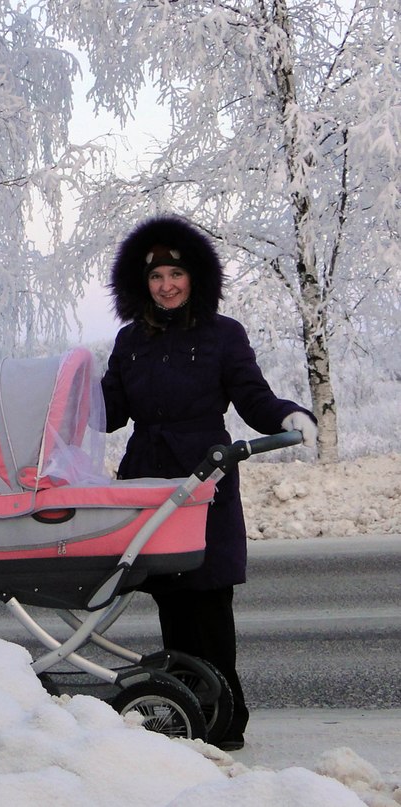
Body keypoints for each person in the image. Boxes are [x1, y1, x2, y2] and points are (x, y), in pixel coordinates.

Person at [100, 214, 317, 751]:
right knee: (172, 597)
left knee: (209, 596)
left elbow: (253, 397)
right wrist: (58, 400)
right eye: (155, 278)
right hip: (149, 480)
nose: (166, 285)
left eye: (175, 274)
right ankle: (189, 709)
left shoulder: (223, 335)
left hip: (206, 476)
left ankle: (226, 720)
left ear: (194, 277)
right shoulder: (130, 341)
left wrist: (287, 415)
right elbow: (108, 412)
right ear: (140, 284)